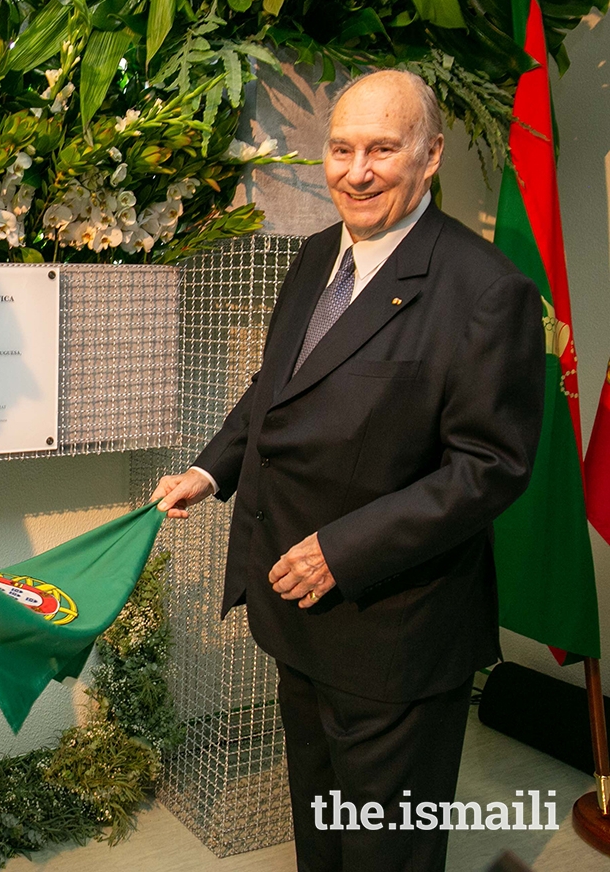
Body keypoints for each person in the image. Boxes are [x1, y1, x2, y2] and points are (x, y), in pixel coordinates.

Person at [152, 70, 545, 872]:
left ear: (431, 155)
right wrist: (210, 470)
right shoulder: (316, 256)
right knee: (323, 835)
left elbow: (489, 469)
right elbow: (277, 389)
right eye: (340, 149)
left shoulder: (486, 291)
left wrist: (343, 549)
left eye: (382, 149)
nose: (355, 171)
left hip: (395, 637)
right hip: (298, 618)